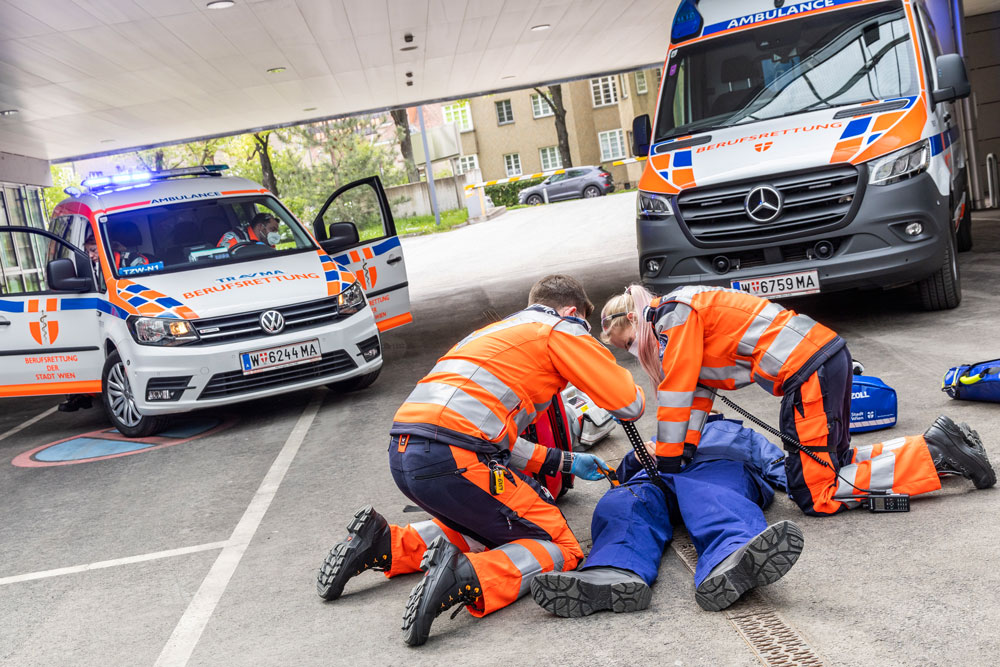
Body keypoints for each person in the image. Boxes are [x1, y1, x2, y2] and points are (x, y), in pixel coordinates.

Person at [316, 275, 646, 646]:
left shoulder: (493, 334)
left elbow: (494, 436)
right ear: (571, 312)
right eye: (582, 324)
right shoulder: (561, 327)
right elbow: (629, 404)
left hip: (407, 452)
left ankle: (383, 543)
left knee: (488, 529)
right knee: (560, 547)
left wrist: (566, 462)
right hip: (456, 456)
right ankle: (466, 575)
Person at [598, 285, 995, 517]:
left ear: (633, 320)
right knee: (831, 461)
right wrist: (685, 448)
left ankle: (937, 455)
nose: (634, 351)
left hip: (807, 373)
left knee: (814, 493)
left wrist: (669, 459)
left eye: (628, 343)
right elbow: (699, 393)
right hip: (824, 359)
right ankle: (938, 444)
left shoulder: (669, 316)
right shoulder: (681, 308)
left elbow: (677, 392)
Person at [531, 414, 802, 616]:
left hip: (716, 469)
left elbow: (778, 463)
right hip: (659, 475)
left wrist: (807, 490)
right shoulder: (665, 431)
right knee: (626, 500)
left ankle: (732, 555)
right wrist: (637, 458)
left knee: (716, 498)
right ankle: (613, 568)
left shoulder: (740, 432)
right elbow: (622, 477)